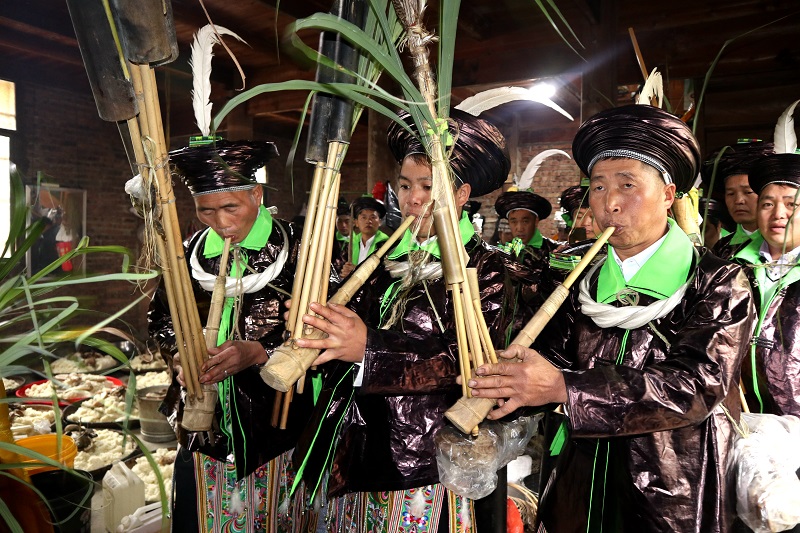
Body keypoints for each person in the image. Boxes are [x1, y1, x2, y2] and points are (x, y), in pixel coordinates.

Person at [468, 104, 755, 532]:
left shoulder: (717, 280)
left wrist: (566, 388)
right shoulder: (578, 275)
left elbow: (694, 386)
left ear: (669, 194)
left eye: (627, 185)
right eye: (598, 188)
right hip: (578, 485)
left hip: (668, 491)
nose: (610, 204)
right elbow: (548, 361)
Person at [291, 109, 527, 532]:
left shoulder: (491, 270)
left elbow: (469, 364)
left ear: (460, 194)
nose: (412, 198)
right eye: (404, 185)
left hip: (427, 458)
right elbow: (348, 339)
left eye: (427, 186)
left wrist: (369, 349)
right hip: (358, 446)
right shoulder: (384, 262)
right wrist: (319, 324)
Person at [149, 139, 318, 532]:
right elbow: (162, 317)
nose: (220, 222)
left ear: (256, 194)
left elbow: (329, 325)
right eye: (205, 210)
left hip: (276, 430)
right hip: (201, 429)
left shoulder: (301, 249)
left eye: (231, 207)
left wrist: (262, 351)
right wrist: (179, 354)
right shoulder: (188, 253)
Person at [732, 151, 800, 417]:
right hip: (742, 416)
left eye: (791, 205)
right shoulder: (730, 266)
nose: (778, 214)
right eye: (768, 204)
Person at [703, 140, 774, 259]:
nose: (739, 200)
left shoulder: (779, 245)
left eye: (748, 192)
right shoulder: (721, 248)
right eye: (731, 194)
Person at [494, 187, 554, 259]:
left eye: (525, 221)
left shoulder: (553, 251)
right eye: (514, 222)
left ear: (536, 221)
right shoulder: (503, 251)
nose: (519, 229)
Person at [339, 195, 388, 278]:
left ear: (379, 222)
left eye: (373, 217)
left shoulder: (386, 245)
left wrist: (356, 271)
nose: (368, 221)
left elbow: (385, 275)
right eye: (363, 217)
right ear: (356, 223)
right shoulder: (349, 245)